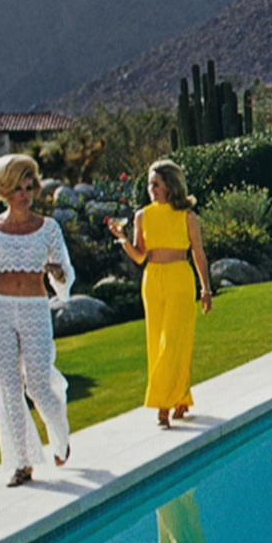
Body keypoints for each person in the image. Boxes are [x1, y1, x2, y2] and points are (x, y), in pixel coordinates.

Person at [0, 153, 74, 484]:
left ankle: (60, 433)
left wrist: (57, 272)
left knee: (39, 384)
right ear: (4, 191)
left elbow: (66, 273)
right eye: (17, 188)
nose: (24, 194)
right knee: (8, 387)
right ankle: (22, 462)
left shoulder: (49, 229)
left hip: (34, 308)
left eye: (29, 187)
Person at [120, 157, 215, 425]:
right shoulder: (142, 216)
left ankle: (163, 403)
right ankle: (180, 396)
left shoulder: (188, 217)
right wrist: (123, 239)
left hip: (180, 278)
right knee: (157, 342)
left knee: (175, 342)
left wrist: (206, 288)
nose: (152, 189)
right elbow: (139, 257)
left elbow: (198, 253)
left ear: (171, 185)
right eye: (150, 184)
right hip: (152, 280)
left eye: (157, 184)